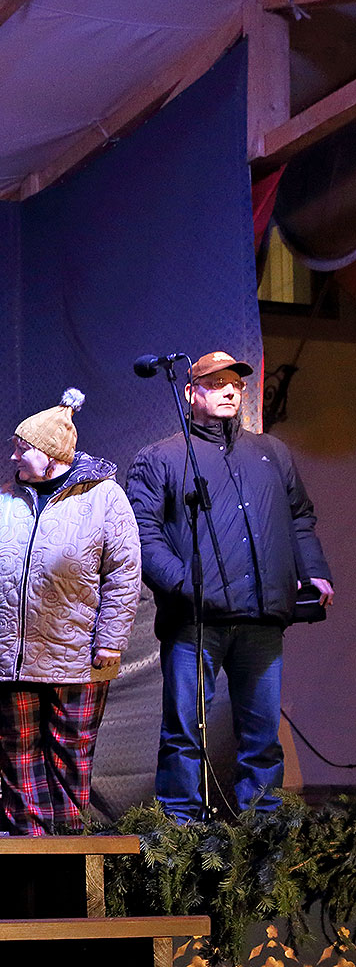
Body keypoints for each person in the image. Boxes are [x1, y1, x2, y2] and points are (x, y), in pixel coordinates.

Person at [127, 352, 333, 821]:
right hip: (195, 620)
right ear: (190, 392)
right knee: (184, 733)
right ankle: (179, 835)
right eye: (216, 382)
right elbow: (143, 531)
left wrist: (313, 568)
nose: (229, 391)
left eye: (236, 384)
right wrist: (185, 585)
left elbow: (300, 514)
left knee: (262, 738)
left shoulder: (270, 452)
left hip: (260, 618)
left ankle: (262, 838)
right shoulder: (161, 457)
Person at [0, 388, 140, 834]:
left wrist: (110, 640)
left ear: (51, 454)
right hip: (14, 657)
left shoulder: (105, 498)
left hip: (77, 655)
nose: (13, 455)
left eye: (22, 447)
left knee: (70, 759)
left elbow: (124, 573)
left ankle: (70, 851)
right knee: (18, 758)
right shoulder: (2, 498)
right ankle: (28, 851)